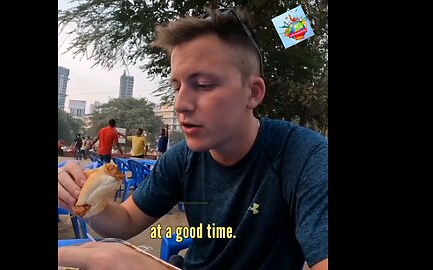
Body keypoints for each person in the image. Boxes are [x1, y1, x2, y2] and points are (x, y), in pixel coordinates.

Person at [58, 7, 327, 270]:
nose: (180, 104)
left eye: (203, 85)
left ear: (253, 93)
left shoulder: (305, 156)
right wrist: (84, 199)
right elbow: (125, 221)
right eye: (177, 87)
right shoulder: (183, 157)